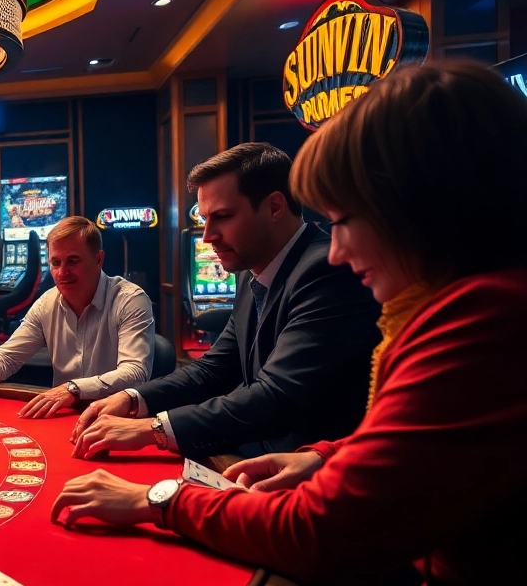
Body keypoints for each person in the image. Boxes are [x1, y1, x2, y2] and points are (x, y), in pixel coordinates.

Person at [50, 62, 527, 586]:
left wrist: (159, 498)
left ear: (421, 208)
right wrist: (326, 458)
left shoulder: (480, 325)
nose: (338, 248)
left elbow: (317, 527)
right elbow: (225, 368)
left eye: (348, 218)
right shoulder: (477, 306)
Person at [71, 142, 380, 460]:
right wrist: (134, 398)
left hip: (310, 469)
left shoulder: (327, 269)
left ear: (275, 207)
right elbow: (214, 369)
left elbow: (277, 398)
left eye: (222, 217)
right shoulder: (252, 269)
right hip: (257, 448)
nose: (207, 236)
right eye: (205, 219)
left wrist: (154, 429)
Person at [0, 216, 154, 418]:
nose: (62, 272)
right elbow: (9, 355)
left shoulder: (130, 300)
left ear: (98, 259)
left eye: (73, 261)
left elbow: (135, 372)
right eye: (55, 262)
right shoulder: (47, 303)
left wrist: (73, 389)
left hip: (117, 419)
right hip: (63, 414)